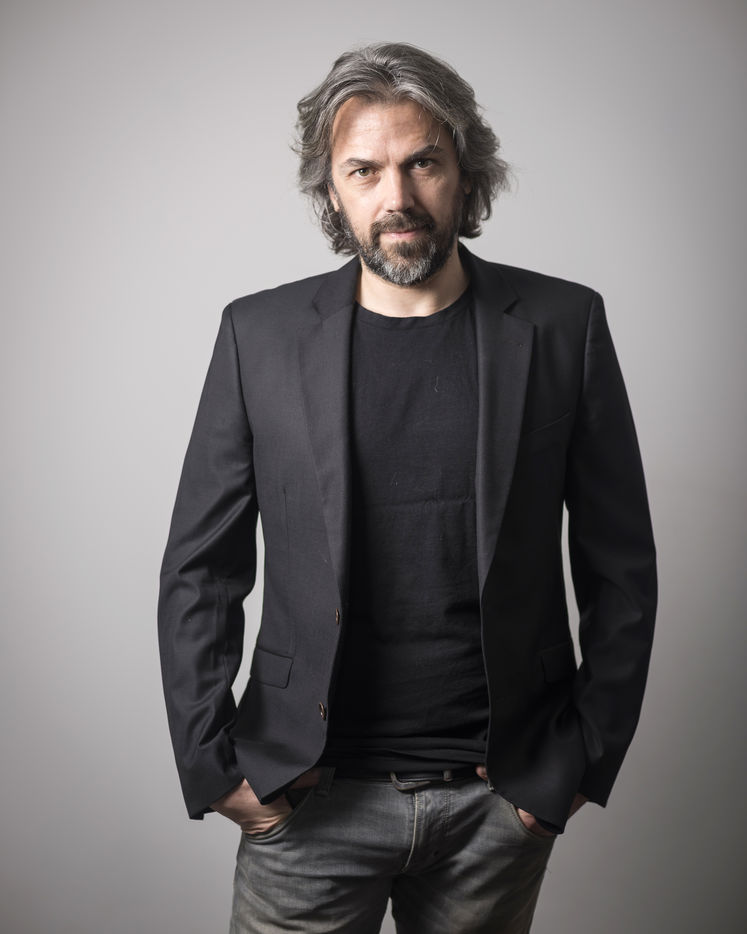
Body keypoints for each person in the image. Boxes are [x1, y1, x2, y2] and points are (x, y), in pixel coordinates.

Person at [158, 42, 657, 934]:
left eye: (422, 162)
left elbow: (621, 568)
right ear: (331, 190)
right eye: (364, 170)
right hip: (306, 798)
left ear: (465, 173)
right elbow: (201, 569)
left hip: (496, 802)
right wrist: (213, 765)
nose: (396, 196)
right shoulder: (258, 336)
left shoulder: (561, 325)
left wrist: (580, 763)